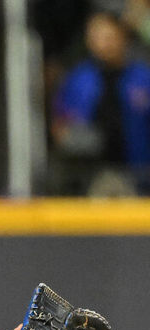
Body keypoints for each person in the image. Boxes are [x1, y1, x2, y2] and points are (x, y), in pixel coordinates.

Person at [51, 9, 150, 194]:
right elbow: (60, 126)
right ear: (89, 40)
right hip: (90, 176)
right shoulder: (78, 79)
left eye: (110, 36)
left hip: (139, 174)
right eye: (98, 36)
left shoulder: (143, 78)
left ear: (123, 37)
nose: (105, 43)